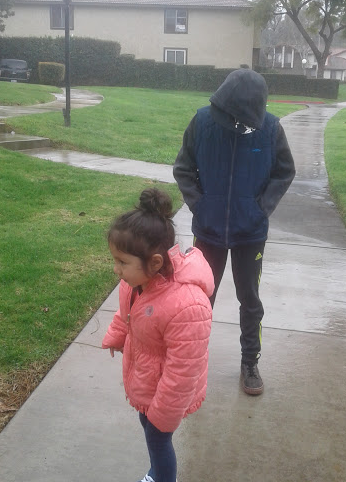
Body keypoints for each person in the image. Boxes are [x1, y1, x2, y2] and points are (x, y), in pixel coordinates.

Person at [173, 68, 295, 396]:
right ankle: (190, 361)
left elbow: (284, 171)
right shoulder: (202, 122)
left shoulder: (270, 129)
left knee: (249, 299)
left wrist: (260, 208)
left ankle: (250, 361)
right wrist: (201, 205)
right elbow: (183, 167)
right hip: (208, 231)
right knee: (199, 299)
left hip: (250, 234)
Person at [102, 188, 214, 482]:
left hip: (167, 391)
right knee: (148, 427)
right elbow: (127, 313)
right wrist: (116, 334)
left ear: (154, 262)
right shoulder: (135, 282)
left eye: (122, 262)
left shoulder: (188, 306)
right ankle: (156, 472)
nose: (116, 269)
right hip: (147, 379)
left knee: (158, 438)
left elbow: (183, 372)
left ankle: (163, 477)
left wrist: (163, 414)